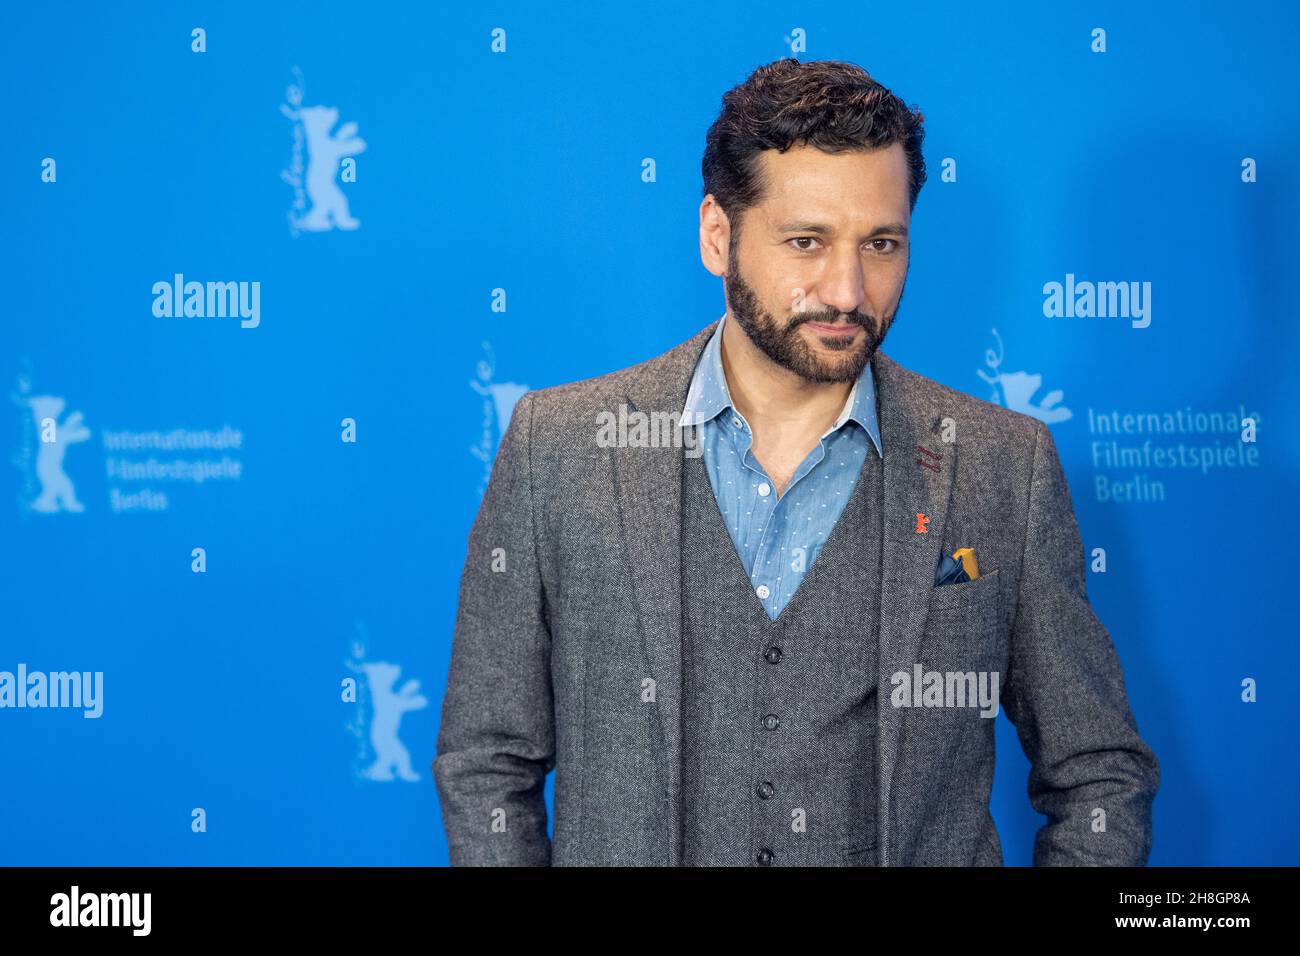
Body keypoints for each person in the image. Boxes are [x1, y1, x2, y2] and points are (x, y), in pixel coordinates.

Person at [434, 58, 1159, 866]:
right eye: (806, 241)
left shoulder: (1002, 466)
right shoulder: (561, 445)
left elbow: (1097, 770)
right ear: (719, 235)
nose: (848, 290)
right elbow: (486, 762)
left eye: (880, 243)